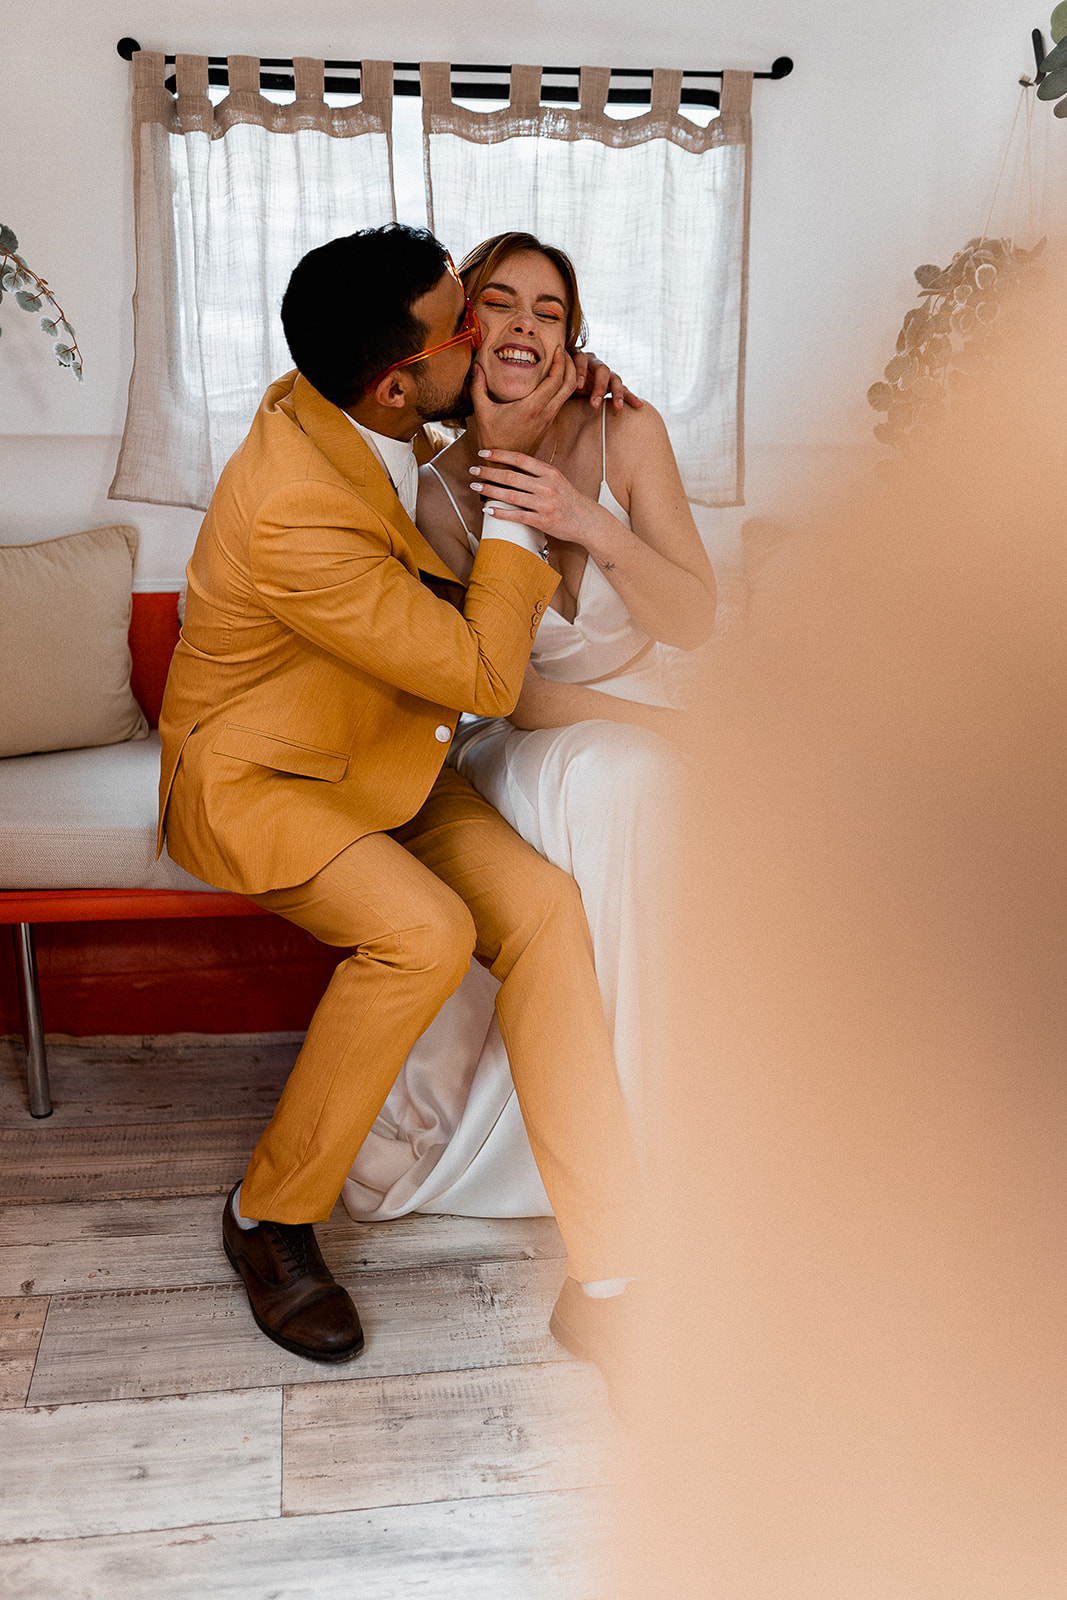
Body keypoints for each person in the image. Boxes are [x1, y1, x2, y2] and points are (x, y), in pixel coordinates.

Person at [156, 223, 643, 1368]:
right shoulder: (296, 507)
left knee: (543, 914)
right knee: (425, 934)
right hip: (261, 778)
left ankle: (611, 1268)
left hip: (382, 759)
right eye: (462, 324)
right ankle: (266, 1218)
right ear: (394, 384)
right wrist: (526, 472)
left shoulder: (347, 392)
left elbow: (443, 386)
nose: (484, 331)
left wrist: (569, 411)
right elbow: (484, 675)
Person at [342, 231, 717, 1224]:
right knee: (625, 774)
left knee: (641, 775)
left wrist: (585, 521)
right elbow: (500, 688)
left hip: (646, 711)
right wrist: (649, 728)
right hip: (523, 729)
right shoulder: (433, 492)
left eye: (548, 311)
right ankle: (587, 1142)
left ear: (570, 339)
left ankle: (660, 1126)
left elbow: (691, 617)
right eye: (500, 304)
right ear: (465, 332)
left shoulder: (624, 434)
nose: (523, 325)